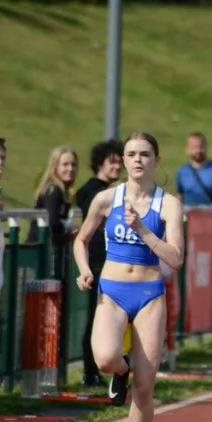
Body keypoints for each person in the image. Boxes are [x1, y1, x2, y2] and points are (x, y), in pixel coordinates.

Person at [72, 131, 184, 422]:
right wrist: (85, 270)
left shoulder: (169, 204)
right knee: (105, 357)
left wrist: (144, 231)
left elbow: (176, 258)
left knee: (146, 387)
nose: (137, 160)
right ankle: (120, 371)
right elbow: (82, 238)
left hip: (150, 292)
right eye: (131, 154)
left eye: (145, 154)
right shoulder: (106, 199)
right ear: (123, 160)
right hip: (112, 288)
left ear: (156, 160)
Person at [74, 139, 125, 387]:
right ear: (99, 164)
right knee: (97, 318)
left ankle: (111, 368)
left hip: (112, 260)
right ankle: (90, 371)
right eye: (111, 162)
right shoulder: (94, 190)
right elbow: (84, 199)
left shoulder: (115, 189)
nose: (117, 166)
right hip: (96, 260)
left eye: (119, 161)